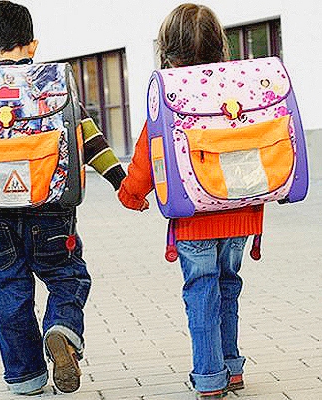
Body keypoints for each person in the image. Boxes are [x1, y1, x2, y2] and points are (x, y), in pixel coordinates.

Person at [0, 1, 126, 395]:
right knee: (67, 276)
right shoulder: (51, 86)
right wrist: (120, 181)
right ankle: (62, 328)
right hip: (52, 212)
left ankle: (26, 376)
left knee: (8, 292)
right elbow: (88, 137)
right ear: (33, 45)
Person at [117, 3, 263, 399]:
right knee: (228, 286)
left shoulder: (171, 94)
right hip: (241, 213)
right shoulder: (242, 90)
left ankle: (210, 377)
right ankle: (232, 367)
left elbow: (148, 154)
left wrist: (131, 194)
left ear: (166, 50)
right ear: (220, 46)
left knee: (201, 291)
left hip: (194, 217)